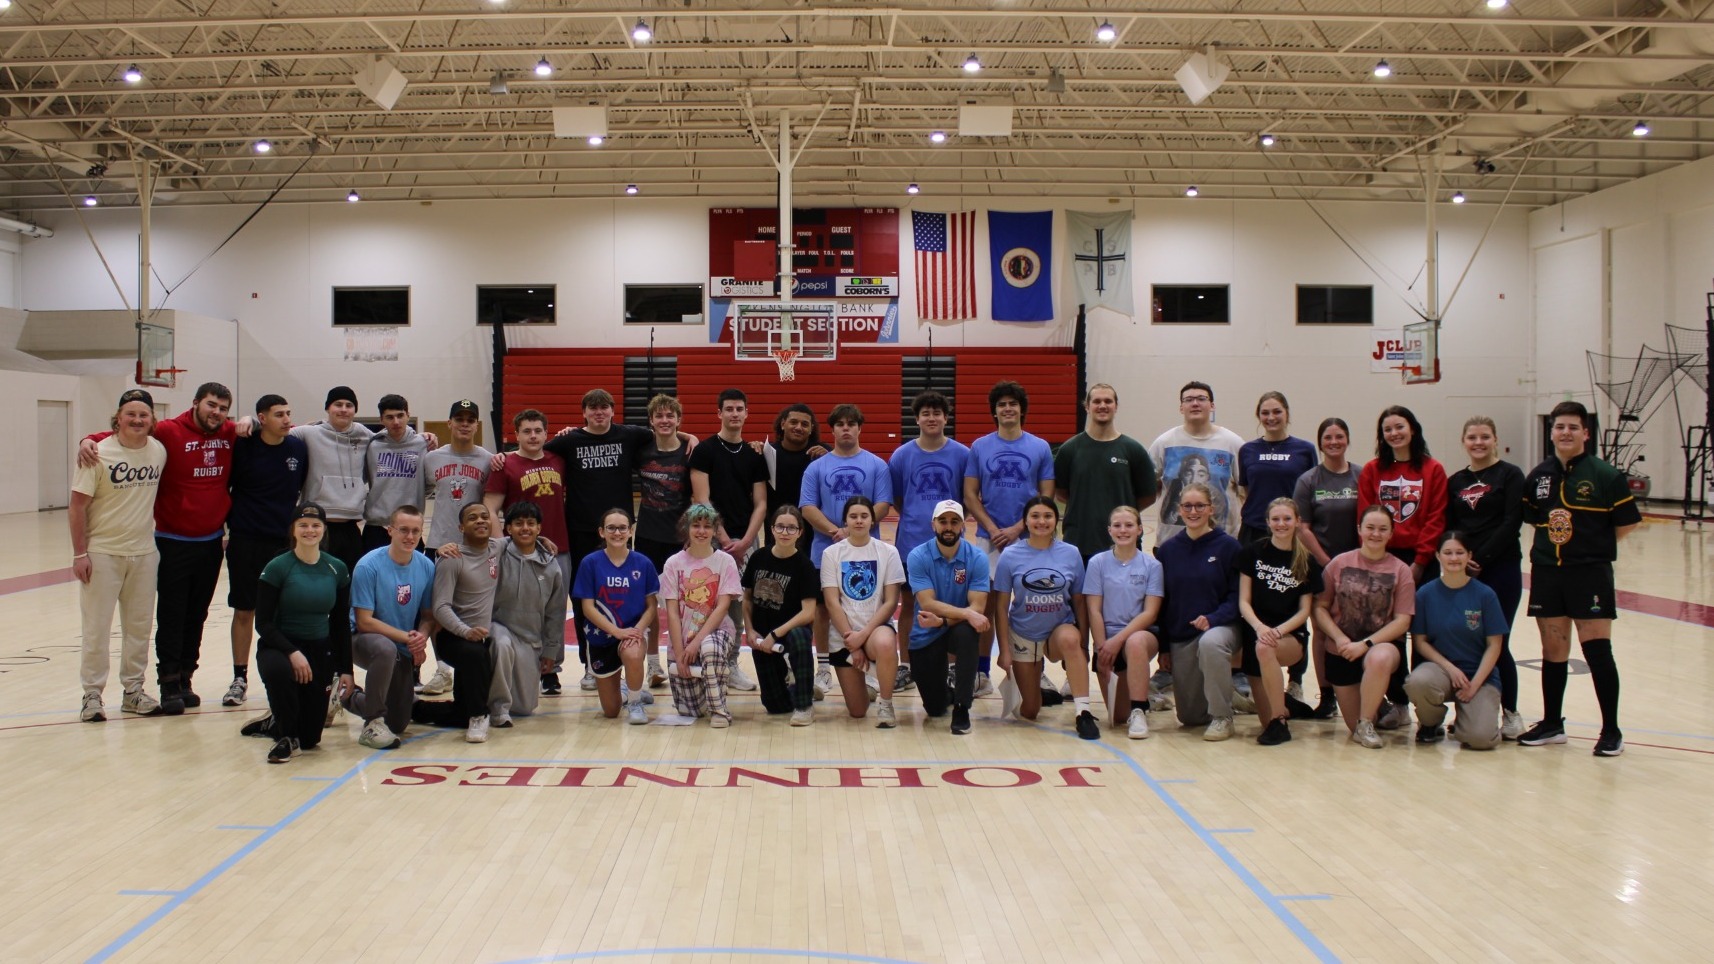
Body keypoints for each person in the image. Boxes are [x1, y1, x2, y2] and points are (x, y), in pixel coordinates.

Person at [79, 381, 237, 713]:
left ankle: (179, 679)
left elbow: (279, 428)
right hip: (167, 541)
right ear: (196, 403)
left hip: (206, 543)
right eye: (211, 405)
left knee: (192, 616)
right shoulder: (167, 431)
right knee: (168, 614)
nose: (216, 412)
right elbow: (119, 434)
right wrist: (86, 440)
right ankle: (163, 683)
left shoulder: (228, 432)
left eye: (223, 408)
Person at [1517, 400, 1640, 757]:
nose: (1565, 433)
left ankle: (1611, 730)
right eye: (1559, 427)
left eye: (1573, 427)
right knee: (1553, 650)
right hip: (1547, 571)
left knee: (1597, 650)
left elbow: (1627, 521)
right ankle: (1553, 723)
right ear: (1551, 432)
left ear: (1586, 433)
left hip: (1590, 573)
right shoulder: (1538, 476)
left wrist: (1593, 547)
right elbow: (1532, 518)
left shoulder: (1606, 476)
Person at [544, 388, 667, 692]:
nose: (599, 413)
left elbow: (667, 433)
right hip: (583, 529)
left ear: (613, 411)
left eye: (604, 408)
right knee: (584, 597)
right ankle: (591, 666)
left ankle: (638, 659)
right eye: (592, 408)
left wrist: (690, 438)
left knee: (630, 595)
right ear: (583, 412)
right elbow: (534, 449)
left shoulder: (630, 434)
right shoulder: (568, 440)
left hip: (619, 530)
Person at [71, 388, 168, 722]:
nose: (137, 420)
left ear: (152, 420)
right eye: (131, 414)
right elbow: (77, 506)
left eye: (143, 415)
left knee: (140, 628)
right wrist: (79, 553)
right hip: (102, 553)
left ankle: (133, 691)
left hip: (144, 553)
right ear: (118, 419)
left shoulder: (158, 451)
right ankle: (92, 696)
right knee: (97, 628)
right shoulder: (95, 454)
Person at [965, 381, 1055, 696]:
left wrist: (1019, 528)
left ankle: (1036, 670)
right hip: (990, 540)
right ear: (994, 411)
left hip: (1030, 539)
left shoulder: (1040, 447)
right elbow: (970, 494)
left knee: (1033, 604)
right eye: (1002, 404)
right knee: (986, 605)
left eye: (1013, 404)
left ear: (1021, 410)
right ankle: (981, 672)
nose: (1007, 409)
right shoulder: (979, 446)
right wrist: (991, 528)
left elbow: (1047, 496)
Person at [800, 403, 894, 699]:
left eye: (851, 423)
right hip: (824, 551)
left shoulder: (877, 465)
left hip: (867, 553)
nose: (845, 428)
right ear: (832, 429)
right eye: (839, 424)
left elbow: (882, 504)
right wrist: (835, 532)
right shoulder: (816, 467)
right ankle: (824, 668)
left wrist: (854, 530)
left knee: (865, 604)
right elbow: (807, 507)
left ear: (859, 428)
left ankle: (871, 669)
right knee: (824, 609)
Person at [247, 503, 352, 764]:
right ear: (293, 530)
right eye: (303, 525)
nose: (309, 530)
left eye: (316, 525)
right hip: (280, 646)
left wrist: (346, 669)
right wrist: (292, 652)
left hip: (319, 650)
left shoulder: (336, 568)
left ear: (324, 530)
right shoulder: (278, 567)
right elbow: (263, 623)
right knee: (278, 672)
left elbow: (339, 624)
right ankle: (285, 738)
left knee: (311, 739)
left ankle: (274, 723)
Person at [222, 393, 308, 707]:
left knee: (285, 614)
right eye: (278, 414)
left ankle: (290, 672)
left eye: (288, 413)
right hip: (245, 539)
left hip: (284, 544)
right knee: (244, 609)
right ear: (262, 418)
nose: (286, 419)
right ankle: (239, 677)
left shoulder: (298, 447)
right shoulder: (243, 445)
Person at [1444, 415, 1526, 740]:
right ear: (1463, 441)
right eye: (1472, 437)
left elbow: (1511, 522)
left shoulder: (1510, 474)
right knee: (1468, 643)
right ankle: (1468, 711)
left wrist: (1481, 557)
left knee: (1497, 642)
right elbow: (1452, 526)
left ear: (1495, 439)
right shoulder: (1456, 481)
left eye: (1484, 437)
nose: (1478, 443)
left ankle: (1511, 712)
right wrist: (1460, 561)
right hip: (1463, 572)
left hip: (1501, 569)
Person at [991, 496, 1099, 739]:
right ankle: (1039, 689)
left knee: (1071, 640)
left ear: (1056, 520)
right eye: (1035, 516)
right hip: (1024, 634)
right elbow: (1000, 606)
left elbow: (1079, 601)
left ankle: (1083, 713)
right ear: (1026, 521)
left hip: (1059, 630)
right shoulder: (1010, 555)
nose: (1042, 521)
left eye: (1048, 516)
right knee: (1029, 711)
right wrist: (1005, 651)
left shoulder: (1070, 553)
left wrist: (1084, 643)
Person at [483, 408, 571, 694]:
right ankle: (517, 664)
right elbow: (490, 508)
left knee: (555, 610)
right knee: (520, 609)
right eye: (527, 431)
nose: (533, 436)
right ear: (515, 434)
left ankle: (551, 669)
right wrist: (504, 545)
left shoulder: (559, 459)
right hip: (520, 549)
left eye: (538, 431)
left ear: (547, 434)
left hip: (558, 547)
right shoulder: (504, 464)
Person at [1314, 505, 1416, 749]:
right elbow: (1320, 607)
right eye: (1370, 527)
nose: (1375, 534)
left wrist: (1366, 644)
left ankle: (1366, 723)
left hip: (1380, 648)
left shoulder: (1401, 570)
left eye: (1383, 529)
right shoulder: (1338, 563)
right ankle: (1376, 705)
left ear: (1391, 533)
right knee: (1350, 724)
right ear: (1359, 529)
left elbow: (1403, 620)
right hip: (1343, 650)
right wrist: (1339, 639)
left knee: (1378, 658)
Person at [410, 399, 493, 701]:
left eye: (471, 419)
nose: (465, 424)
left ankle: (474, 665)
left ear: (476, 425)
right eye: (459, 418)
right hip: (439, 544)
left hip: (473, 549)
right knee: (434, 610)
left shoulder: (488, 459)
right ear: (449, 423)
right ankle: (443, 667)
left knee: (472, 606)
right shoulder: (431, 459)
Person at [688, 389, 769, 693]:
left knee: (741, 603)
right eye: (729, 409)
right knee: (706, 601)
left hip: (747, 540)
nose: (735, 414)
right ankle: (700, 659)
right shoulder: (705, 451)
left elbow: (761, 503)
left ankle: (732, 663)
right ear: (719, 413)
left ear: (747, 413)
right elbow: (702, 498)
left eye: (740, 409)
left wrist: (747, 540)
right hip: (709, 539)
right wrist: (723, 539)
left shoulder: (754, 456)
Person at [888, 390, 970, 689]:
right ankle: (906, 666)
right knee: (909, 604)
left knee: (950, 603)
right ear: (917, 419)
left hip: (952, 545)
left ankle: (951, 666)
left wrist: (951, 526)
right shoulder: (902, 455)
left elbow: (968, 496)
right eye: (926, 413)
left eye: (937, 412)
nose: (931, 418)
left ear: (946, 418)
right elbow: (898, 498)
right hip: (911, 543)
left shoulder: (963, 454)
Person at [1152, 482, 1244, 741]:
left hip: (1221, 628)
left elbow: (1238, 596)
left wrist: (1214, 619)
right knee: (1190, 718)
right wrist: (1164, 647)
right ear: (1179, 510)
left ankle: (1222, 716)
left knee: (1211, 644)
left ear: (1210, 509)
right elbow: (1164, 601)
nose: (1194, 511)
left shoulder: (1228, 547)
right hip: (1183, 633)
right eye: (1187, 506)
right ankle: (1227, 693)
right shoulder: (1169, 550)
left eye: (1200, 506)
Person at [339, 504, 435, 750]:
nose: (410, 537)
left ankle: (345, 697)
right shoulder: (368, 565)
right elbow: (364, 621)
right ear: (389, 530)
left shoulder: (426, 566)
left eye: (416, 531)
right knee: (384, 649)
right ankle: (373, 723)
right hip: (362, 640)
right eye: (403, 530)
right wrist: (407, 638)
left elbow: (427, 616)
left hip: (401, 645)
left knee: (399, 722)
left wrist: (420, 640)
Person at [1404, 532, 1506, 749]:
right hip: (1441, 671)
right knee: (1417, 682)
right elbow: (1420, 642)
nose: (1453, 558)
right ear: (1438, 556)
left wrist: (1475, 684)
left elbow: (1495, 645)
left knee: (1480, 740)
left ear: (1469, 555)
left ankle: (1466, 721)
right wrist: (1450, 669)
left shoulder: (1485, 595)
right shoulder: (1425, 594)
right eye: (1448, 553)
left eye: (1460, 552)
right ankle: (1431, 722)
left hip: (1478, 677)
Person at [1237, 498, 1322, 746]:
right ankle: (1288, 707)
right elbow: (1244, 601)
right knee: (1220, 652)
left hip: (1288, 637)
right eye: (1275, 519)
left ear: (1297, 521)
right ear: (1267, 522)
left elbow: (1304, 611)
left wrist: (1275, 631)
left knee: (1265, 648)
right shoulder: (1252, 552)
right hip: (1256, 630)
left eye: (1287, 519)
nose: (1281, 524)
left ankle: (1280, 722)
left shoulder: (1307, 560)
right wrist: (1260, 627)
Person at [1292, 416, 1360, 718]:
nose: (1334, 442)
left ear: (1347, 439)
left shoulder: (1361, 475)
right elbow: (1303, 527)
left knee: (1359, 626)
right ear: (1320, 443)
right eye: (1328, 438)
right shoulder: (1309, 480)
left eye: (1339, 436)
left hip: (1360, 567)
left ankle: (1365, 689)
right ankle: (1328, 694)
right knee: (1321, 630)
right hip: (1322, 566)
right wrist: (1329, 563)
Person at [906, 500, 992, 735]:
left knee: (968, 634)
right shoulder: (918, 556)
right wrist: (965, 613)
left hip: (955, 627)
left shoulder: (977, 558)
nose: (948, 527)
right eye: (943, 521)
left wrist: (945, 621)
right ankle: (949, 693)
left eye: (954, 522)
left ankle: (963, 707)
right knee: (934, 709)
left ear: (963, 525)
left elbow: (978, 606)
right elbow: (928, 603)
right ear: (933, 524)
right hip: (926, 631)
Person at [820, 495, 907, 727]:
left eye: (864, 516)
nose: (859, 521)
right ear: (845, 521)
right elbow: (832, 603)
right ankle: (870, 678)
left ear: (872, 521)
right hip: (844, 637)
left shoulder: (888, 552)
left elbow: (890, 602)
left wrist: (862, 637)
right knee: (857, 711)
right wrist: (852, 640)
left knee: (886, 643)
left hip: (874, 631)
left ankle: (886, 704)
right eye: (853, 516)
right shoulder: (832, 554)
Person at [1083, 506, 1164, 740]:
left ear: (1140, 529)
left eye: (1129, 525)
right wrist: (1101, 647)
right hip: (1106, 639)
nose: (1123, 530)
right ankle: (1144, 694)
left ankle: (1140, 710)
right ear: (1109, 530)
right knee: (1118, 717)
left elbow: (1150, 613)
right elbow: (1093, 610)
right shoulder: (1098, 563)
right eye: (1117, 525)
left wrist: (1117, 641)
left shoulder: (1152, 566)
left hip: (1140, 634)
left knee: (1135, 642)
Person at [572, 507, 659, 724]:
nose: (617, 533)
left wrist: (637, 630)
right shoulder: (590, 563)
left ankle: (635, 702)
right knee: (610, 712)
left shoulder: (643, 563)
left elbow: (651, 607)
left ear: (631, 531)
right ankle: (629, 688)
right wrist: (616, 631)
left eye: (622, 528)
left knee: (632, 653)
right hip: (601, 637)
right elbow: (587, 608)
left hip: (631, 632)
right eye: (611, 528)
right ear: (602, 532)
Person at [660, 503, 743, 727]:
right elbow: (672, 613)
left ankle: (719, 710)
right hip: (683, 639)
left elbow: (722, 607)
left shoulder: (725, 562)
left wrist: (696, 643)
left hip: (716, 632)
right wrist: (679, 652)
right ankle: (708, 688)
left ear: (715, 531)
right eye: (696, 525)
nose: (701, 531)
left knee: (710, 648)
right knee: (692, 712)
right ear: (687, 528)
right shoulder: (673, 564)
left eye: (707, 526)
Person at [1054, 383, 1158, 563]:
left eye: (1108, 401)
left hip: (1123, 544)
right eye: (1097, 401)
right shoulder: (1069, 450)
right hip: (1079, 544)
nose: (1102, 405)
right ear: (1087, 406)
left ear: (1116, 406)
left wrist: (1122, 512)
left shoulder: (1133, 450)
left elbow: (1148, 495)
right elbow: (1061, 493)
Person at [429, 501, 501, 744]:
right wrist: (465, 631)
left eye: (484, 516)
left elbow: (522, 537)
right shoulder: (452, 558)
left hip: (479, 637)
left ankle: (413, 708)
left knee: (459, 711)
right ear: (461, 527)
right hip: (453, 638)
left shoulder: (497, 548)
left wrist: (544, 541)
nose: (480, 520)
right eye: (472, 518)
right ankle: (479, 717)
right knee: (475, 654)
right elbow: (440, 607)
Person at [490, 501, 566, 726]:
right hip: (498, 628)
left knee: (524, 708)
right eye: (518, 523)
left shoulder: (551, 566)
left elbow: (555, 613)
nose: (525, 528)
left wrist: (550, 650)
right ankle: (498, 709)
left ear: (539, 529)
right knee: (501, 644)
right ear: (508, 528)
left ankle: (506, 703)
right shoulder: (497, 552)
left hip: (529, 639)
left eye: (531, 524)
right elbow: (474, 545)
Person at [743, 505, 820, 725]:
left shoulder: (804, 566)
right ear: (772, 529)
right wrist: (749, 629)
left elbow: (808, 612)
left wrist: (776, 634)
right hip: (763, 635)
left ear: (800, 532)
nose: (785, 532)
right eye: (780, 527)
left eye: (791, 528)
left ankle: (805, 705)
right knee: (775, 706)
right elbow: (747, 598)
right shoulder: (758, 557)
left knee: (798, 637)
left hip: (789, 632)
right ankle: (801, 685)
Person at [635, 394, 690, 692]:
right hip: (646, 537)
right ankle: (653, 664)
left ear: (679, 420)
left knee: (684, 605)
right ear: (651, 420)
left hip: (679, 540)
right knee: (650, 604)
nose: (665, 420)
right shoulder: (641, 451)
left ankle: (681, 659)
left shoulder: (690, 451)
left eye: (671, 416)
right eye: (660, 416)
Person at [1358, 405, 1448, 584]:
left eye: (1399, 427)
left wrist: (1420, 562)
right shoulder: (1371, 470)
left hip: (1422, 559)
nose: (1394, 433)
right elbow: (1364, 516)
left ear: (1413, 429)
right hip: (1381, 555)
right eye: (1387, 429)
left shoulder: (1433, 469)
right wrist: (1370, 555)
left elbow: (1436, 517)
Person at [1149, 380, 1244, 544]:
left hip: (1221, 544)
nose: (1195, 403)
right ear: (1181, 407)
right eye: (1188, 399)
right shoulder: (1164, 443)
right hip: (1171, 543)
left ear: (1212, 405)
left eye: (1201, 398)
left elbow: (1245, 492)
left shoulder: (1232, 444)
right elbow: (1149, 486)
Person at [1236, 392, 1317, 546]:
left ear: (1287, 413)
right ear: (1258, 416)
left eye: (1277, 411)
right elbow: (1246, 490)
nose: (1271, 417)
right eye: (1265, 413)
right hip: (1254, 529)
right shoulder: (1247, 450)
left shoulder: (1305, 449)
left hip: (1290, 531)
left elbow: (1311, 494)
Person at [361, 393, 429, 553]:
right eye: (390, 417)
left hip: (410, 525)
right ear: (381, 420)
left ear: (408, 416)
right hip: (377, 526)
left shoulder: (423, 444)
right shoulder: (372, 445)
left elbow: (429, 482)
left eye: (400, 416)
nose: (396, 422)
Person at [760, 403, 826, 518]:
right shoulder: (767, 453)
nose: (798, 427)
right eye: (793, 422)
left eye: (804, 424)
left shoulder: (822, 453)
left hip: (814, 529)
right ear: (783, 424)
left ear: (811, 429)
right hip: (777, 529)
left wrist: (831, 459)